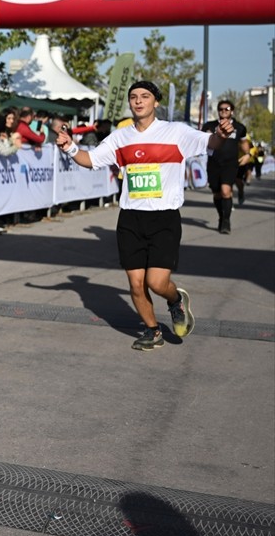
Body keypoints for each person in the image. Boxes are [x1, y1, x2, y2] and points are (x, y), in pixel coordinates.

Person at [57, 81, 229, 351]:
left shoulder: (175, 132)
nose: (138, 101)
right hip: (130, 219)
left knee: (157, 282)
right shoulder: (120, 136)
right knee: (136, 285)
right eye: (134, 97)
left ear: (155, 102)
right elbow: (90, 160)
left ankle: (175, 301)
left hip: (164, 218)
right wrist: (68, 147)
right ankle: (153, 331)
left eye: (145, 97)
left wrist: (221, 134)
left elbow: (211, 142)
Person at [201, 99, 248, 233]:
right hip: (213, 163)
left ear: (231, 111)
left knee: (225, 191)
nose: (223, 111)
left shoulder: (240, 127)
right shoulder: (209, 125)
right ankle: (221, 217)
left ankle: (226, 222)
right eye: (221, 109)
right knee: (217, 194)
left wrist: (248, 154)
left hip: (230, 164)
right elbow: (202, 140)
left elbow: (244, 143)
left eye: (226, 109)